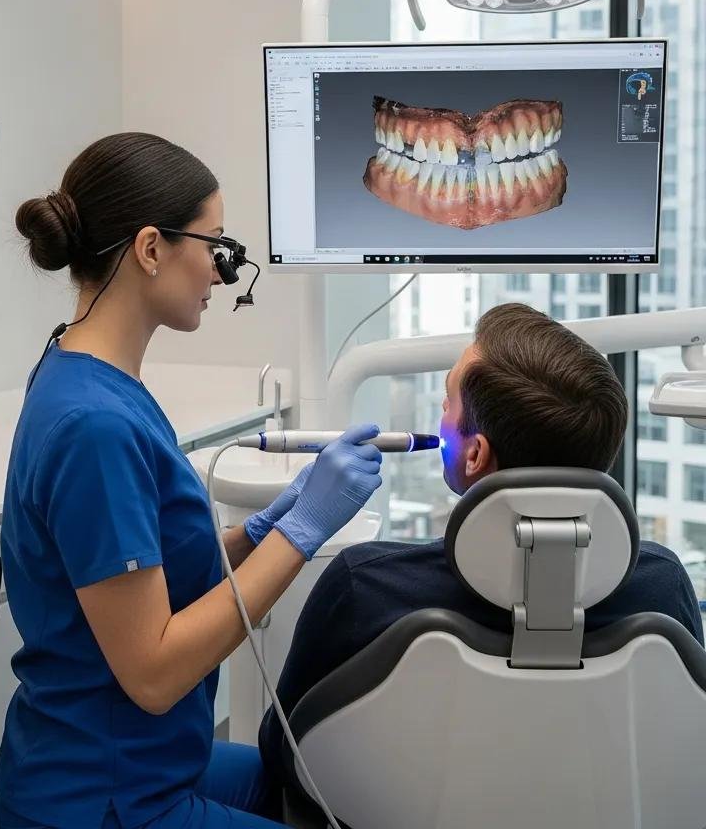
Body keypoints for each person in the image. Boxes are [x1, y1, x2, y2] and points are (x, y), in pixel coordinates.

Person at [0, 132, 385, 829]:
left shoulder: (89, 377)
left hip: (129, 755)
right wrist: (298, 536)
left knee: (316, 778)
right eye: (215, 246)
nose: (221, 272)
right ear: (151, 249)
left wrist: (248, 538)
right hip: (107, 796)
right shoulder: (95, 426)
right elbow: (153, 672)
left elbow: (142, 571)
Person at [258, 302, 704, 788]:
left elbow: (282, 748)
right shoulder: (662, 583)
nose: (440, 414)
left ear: (474, 454)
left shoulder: (363, 584)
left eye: (447, 402)